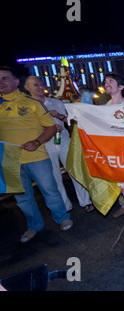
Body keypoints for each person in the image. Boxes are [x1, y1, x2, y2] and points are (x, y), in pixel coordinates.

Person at [0, 66, 72, 243]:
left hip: (37, 157)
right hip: (9, 160)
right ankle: (34, 226)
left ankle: (62, 218)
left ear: (16, 82)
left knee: (50, 190)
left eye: (4, 78)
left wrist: (37, 142)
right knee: (22, 198)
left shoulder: (33, 104)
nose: (0, 83)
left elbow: (50, 127)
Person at [24, 76, 94, 213]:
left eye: (41, 84)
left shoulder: (55, 102)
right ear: (27, 88)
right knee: (55, 176)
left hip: (63, 140)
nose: (40, 87)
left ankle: (86, 201)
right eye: (35, 85)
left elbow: (69, 120)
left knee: (74, 170)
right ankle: (65, 205)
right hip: (45, 144)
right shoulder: (27, 106)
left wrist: (59, 117)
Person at [103, 73, 124, 217]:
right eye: (105, 81)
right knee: (116, 180)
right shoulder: (103, 109)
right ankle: (123, 205)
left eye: (110, 81)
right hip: (112, 150)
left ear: (120, 87)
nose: (106, 83)